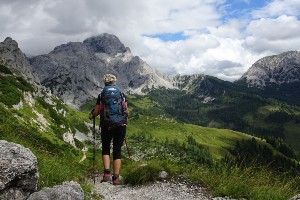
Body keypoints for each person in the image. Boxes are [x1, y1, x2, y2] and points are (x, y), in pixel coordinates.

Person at [92, 74, 128, 185]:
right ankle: (116, 178)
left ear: (105, 82)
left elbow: (97, 112)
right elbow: (126, 110)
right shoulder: (121, 93)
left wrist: (93, 113)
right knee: (117, 150)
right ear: (114, 82)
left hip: (106, 125)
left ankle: (107, 174)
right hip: (120, 125)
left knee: (106, 148)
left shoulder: (102, 94)